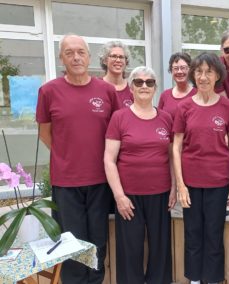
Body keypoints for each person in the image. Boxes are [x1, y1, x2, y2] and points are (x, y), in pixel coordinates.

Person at [36, 34, 118, 284]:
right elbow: (45, 133)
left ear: (89, 57)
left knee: (97, 242)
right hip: (66, 182)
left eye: (81, 51)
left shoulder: (106, 91)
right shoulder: (48, 91)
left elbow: (116, 133)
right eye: (69, 52)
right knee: (71, 243)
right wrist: (67, 156)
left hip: (100, 181)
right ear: (61, 58)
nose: (76, 57)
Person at [104, 66, 175, 284]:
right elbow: (109, 159)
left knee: (160, 248)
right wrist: (119, 196)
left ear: (155, 88)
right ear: (131, 87)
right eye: (139, 82)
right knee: (130, 250)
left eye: (149, 82)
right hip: (129, 197)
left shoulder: (166, 118)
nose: (144, 86)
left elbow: (173, 157)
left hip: (161, 194)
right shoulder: (119, 117)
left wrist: (174, 187)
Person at [173, 52, 229, 284]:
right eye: (198, 72)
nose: (203, 77)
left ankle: (213, 278)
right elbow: (177, 146)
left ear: (217, 75)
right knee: (193, 233)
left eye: (208, 72)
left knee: (213, 233)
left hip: (219, 181)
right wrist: (180, 184)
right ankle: (195, 279)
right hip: (191, 181)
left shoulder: (228, 107)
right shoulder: (184, 107)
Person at [158, 52, 197, 119]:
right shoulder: (165, 95)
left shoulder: (197, 94)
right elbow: (159, 120)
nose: (179, 71)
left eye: (183, 68)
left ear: (190, 70)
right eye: (176, 68)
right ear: (171, 71)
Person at [99, 41, 133, 108]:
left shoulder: (133, 88)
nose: (118, 60)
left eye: (121, 57)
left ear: (126, 62)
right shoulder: (96, 86)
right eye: (114, 56)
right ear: (105, 61)